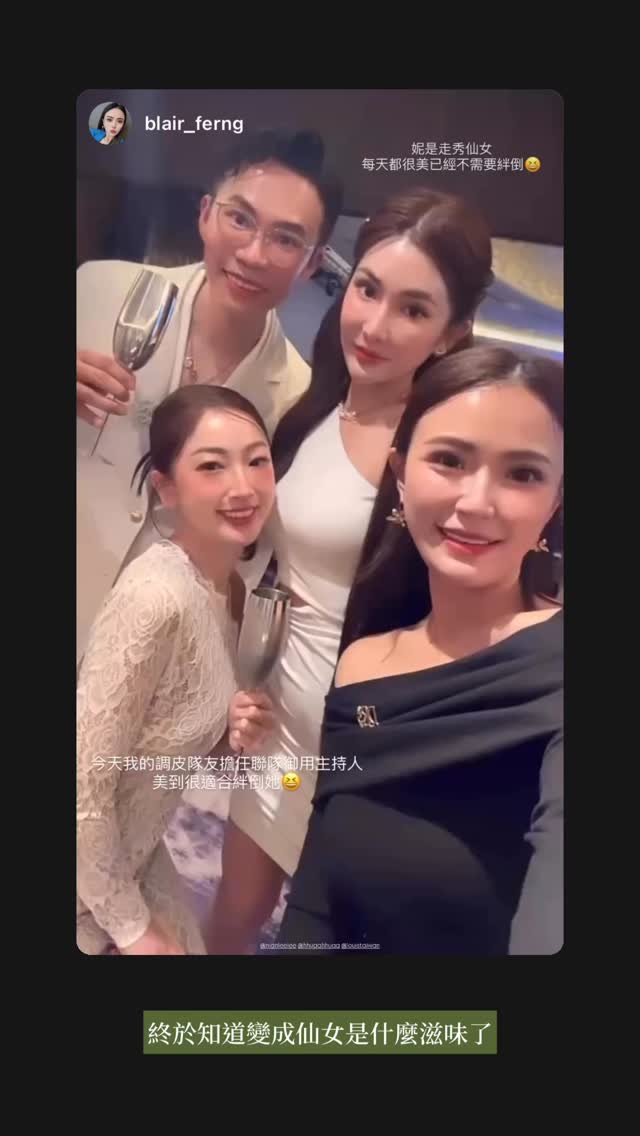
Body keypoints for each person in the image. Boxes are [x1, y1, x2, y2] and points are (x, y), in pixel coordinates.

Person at [206, 188, 494, 953]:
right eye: (368, 289)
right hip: (276, 720)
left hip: (365, 743)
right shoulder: (318, 404)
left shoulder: (437, 454)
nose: (374, 323)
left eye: (413, 309)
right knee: (230, 920)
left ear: (451, 332)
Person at [277, 346, 564, 955]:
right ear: (400, 474)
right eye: (450, 460)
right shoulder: (363, 664)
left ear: (555, 503)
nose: (477, 502)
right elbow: (316, 893)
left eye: (523, 474)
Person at [76, 128, 343, 662]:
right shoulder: (98, 290)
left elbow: (248, 553)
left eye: (286, 240)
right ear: (205, 214)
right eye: (239, 219)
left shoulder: (295, 397)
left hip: (151, 653)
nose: (253, 253)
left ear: (312, 264)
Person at [77, 385, 278, 955]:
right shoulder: (155, 597)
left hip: (136, 854)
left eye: (257, 461)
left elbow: (164, 750)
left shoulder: (228, 590)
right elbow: (81, 785)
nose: (243, 487)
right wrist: (133, 930)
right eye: (212, 466)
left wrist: (231, 732)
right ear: (166, 488)